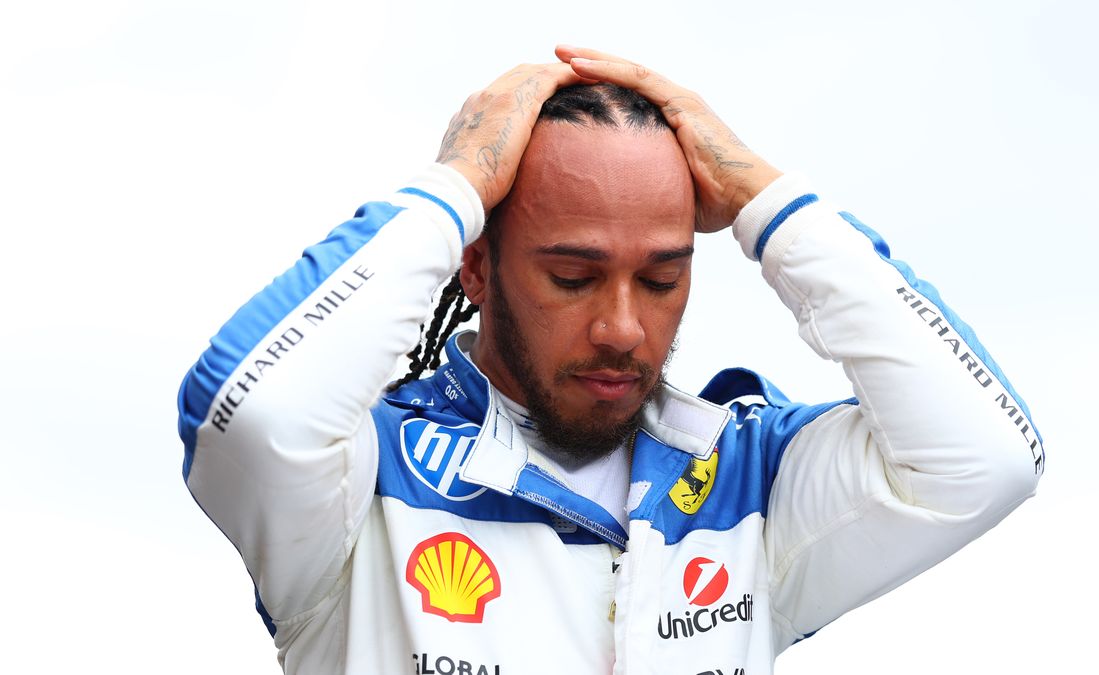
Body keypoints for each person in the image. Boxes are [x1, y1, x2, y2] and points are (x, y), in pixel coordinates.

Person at [177, 46, 1044, 674]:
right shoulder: (355, 480)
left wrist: (763, 198)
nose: (625, 328)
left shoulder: (752, 481)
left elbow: (988, 458)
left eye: (663, 276)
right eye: (573, 276)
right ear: (475, 265)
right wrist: (455, 190)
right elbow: (247, 412)